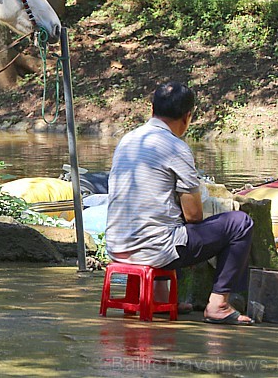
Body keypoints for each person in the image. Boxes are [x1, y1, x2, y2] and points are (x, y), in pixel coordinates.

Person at [105, 81, 254, 325]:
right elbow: (193, 215)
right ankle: (219, 304)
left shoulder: (128, 140)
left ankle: (161, 299)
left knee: (168, 222)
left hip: (116, 244)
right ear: (188, 117)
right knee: (240, 223)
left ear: (151, 109)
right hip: (153, 249)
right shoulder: (176, 148)